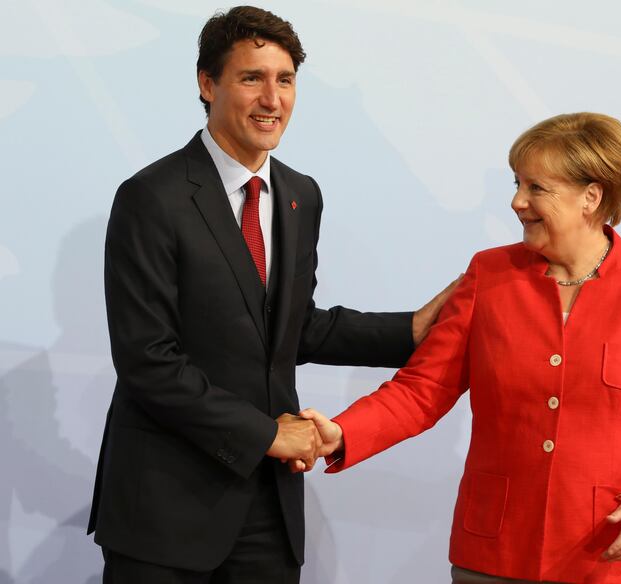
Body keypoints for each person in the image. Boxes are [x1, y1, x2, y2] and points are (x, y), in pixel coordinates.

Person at [87, 6, 455, 583]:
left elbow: (293, 327)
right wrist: (267, 434)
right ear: (207, 84)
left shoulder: (299, 194)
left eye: (284, 80)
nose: (272, 98)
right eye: (251, 78)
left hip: (268, 507)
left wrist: (410, 329)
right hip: (165, 506)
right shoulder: (150, 198)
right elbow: (147, 360)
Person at [301, 112, 621, 583]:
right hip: (499, 553)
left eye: (536, 188)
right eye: (517, 184)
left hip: (618, 559)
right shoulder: (488, 274)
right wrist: (341, 432)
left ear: (592, 196)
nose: (517, 201)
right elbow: (423, 390)